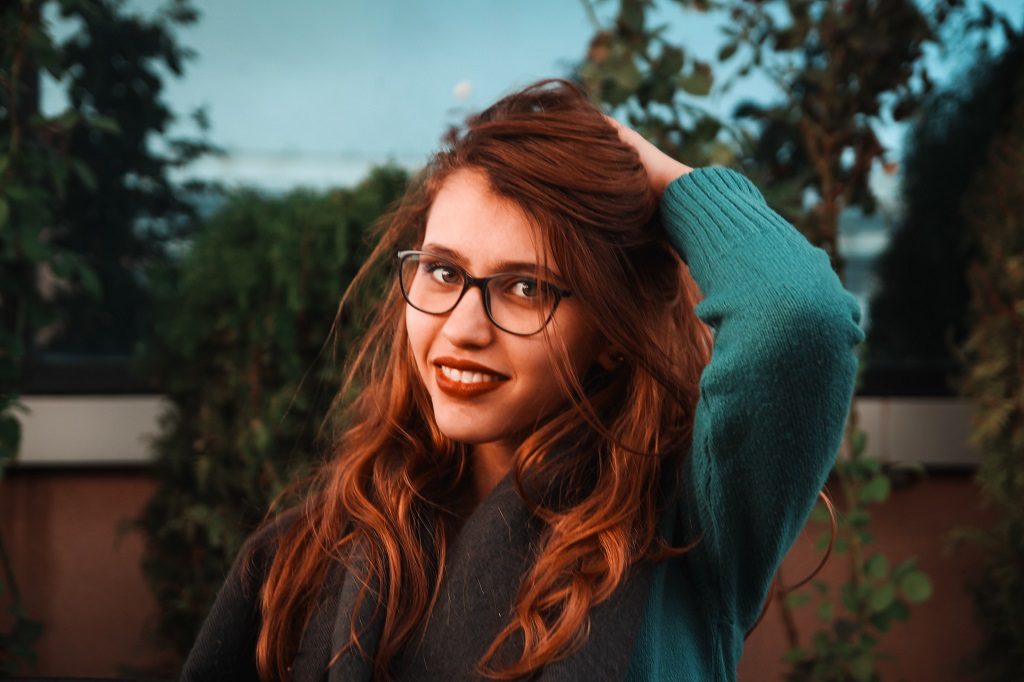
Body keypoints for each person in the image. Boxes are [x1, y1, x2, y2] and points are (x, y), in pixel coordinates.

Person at [181, 79, 864, 681]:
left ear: (609, 337)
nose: (463, 326)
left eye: (525, 288)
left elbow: (798, 315)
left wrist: (658, 174)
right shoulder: (307, 553)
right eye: (443, 271)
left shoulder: (686, 526)